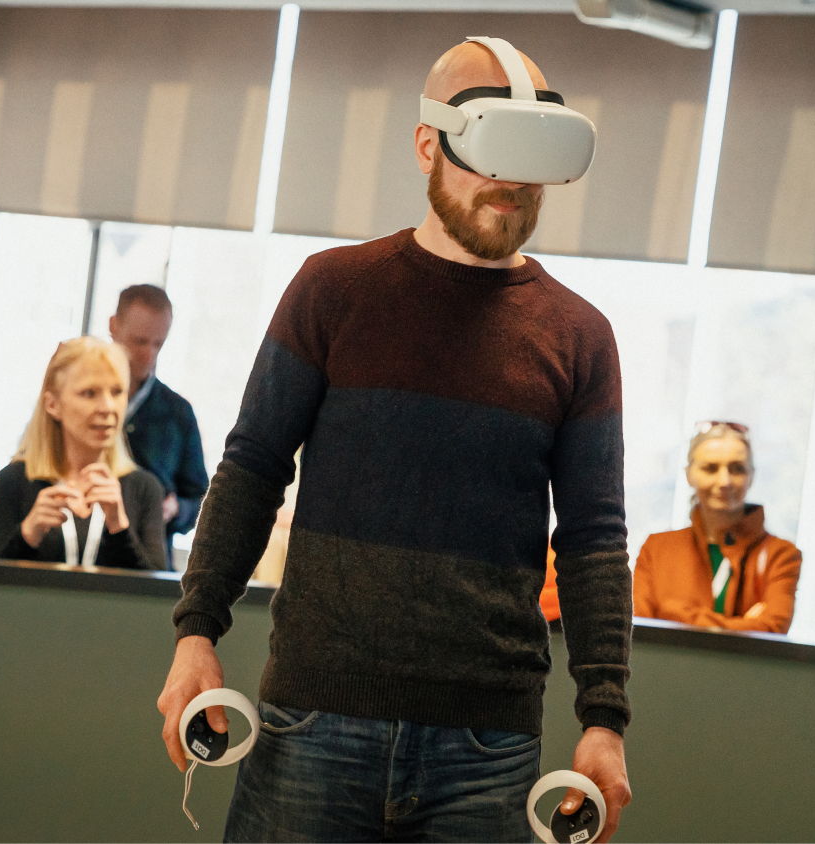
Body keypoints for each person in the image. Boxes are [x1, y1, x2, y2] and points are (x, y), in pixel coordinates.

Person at [156, 38, 633, 843]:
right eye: (491, 153)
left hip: (488, 748)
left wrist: (605, 716)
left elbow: (593, 542)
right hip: (312, 722)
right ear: (428, 145)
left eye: (532, 160)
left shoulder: (580, 338)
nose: (512, 185)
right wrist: (196, 630)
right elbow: (252, 467)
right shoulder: (333, 291)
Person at [0, 337, 166, 570]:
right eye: (89, 393)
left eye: (117, 392)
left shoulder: (144, 489)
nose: (108, 407)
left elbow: (157, 596)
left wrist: (119, 527)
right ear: (53, 405)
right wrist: (27, 536)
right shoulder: (13, 482)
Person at [633, 422, 802, 633]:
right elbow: (641, 631)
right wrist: (743, 627)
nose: (724, 481)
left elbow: (772, 630)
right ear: (688, 475)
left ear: (751, 476)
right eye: (710, 468)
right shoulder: (656, 549)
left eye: (737, 468)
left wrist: (672, 612)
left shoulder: (781, 555)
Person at [107, 285, 208, 566]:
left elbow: (201, 499)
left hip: (150, 561)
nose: (149, 354)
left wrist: (177, 510)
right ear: (113, 326)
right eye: (139, 341)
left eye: (158, 344)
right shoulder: (77, 397)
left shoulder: (178, 412)